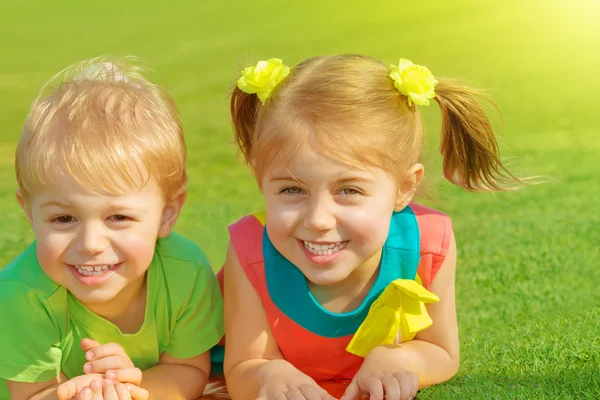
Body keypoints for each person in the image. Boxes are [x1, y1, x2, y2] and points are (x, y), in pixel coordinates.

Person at [222, 55, 524, 400]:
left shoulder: (427, 242)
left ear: (404, 188)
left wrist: (402, 358)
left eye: (349, 190)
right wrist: (266, 374)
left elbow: (442, 353)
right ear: (261, 181)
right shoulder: (249, 250)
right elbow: (244, 364)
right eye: (292, 189)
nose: (319, 220)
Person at [0, 58, 224, 400]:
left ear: (167, 213)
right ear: (29, 213)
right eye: (63, 219)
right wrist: (78, 394)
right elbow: (32, 394)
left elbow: (188, 370)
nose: (90, 244)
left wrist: (132, 391)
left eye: (118, 218)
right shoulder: (22, 295)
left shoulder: (186, 272)